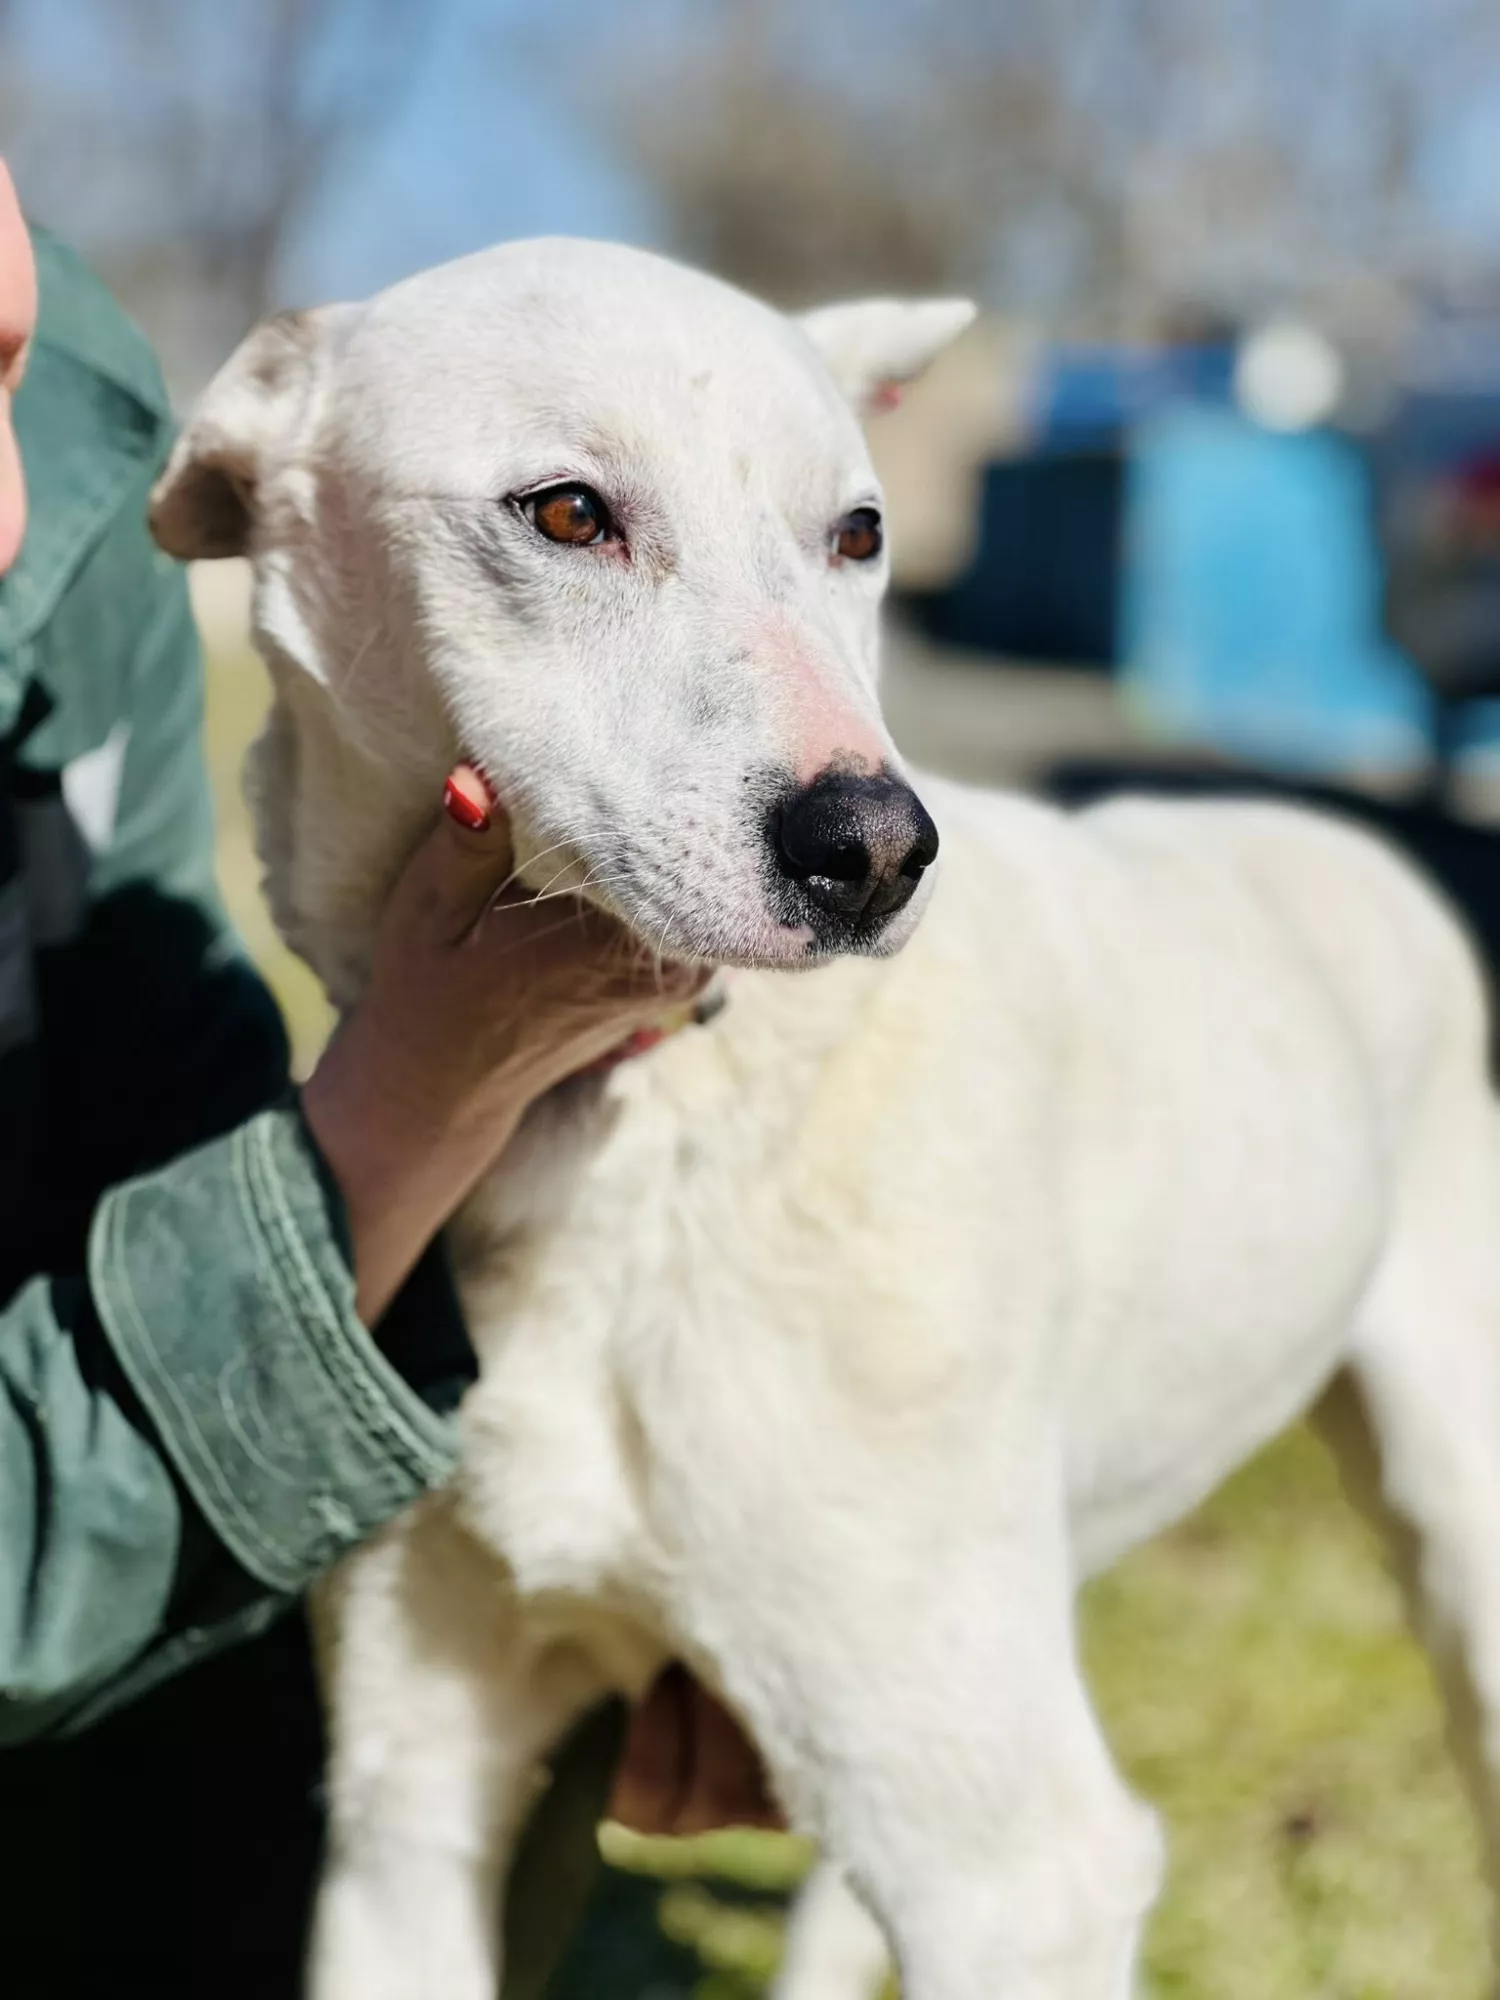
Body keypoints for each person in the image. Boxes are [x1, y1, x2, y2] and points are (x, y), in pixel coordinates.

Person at [0, 162, 772, 1996]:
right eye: (571, 516)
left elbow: (150, 1079)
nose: (18, 509)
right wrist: (417, 1097)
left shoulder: (77, 420)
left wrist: (657, 1531)